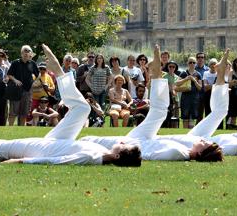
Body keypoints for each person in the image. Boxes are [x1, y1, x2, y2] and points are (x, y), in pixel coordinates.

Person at [0, 44, 142, 167]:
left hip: (46, 148)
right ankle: (59, 72)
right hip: (61, 141)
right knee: (83, 108)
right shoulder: (103, 152)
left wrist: (20, 161)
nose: (122, 142)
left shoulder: (91, 158)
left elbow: (55, 161)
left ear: (117, 157)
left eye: (123, 147)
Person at [82, 45, 223, 162]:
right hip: (143, 138)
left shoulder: (177, 153)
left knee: (160, 111)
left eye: (204, 145)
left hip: (137, 141)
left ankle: (156, 72)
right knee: (160, 111)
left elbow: (148, 155)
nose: (204, 141)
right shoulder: (182, 151)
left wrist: (127, 149)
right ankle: (156, 72)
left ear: (199, 153)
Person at [7, 45, 39, 126]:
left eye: (28, 51)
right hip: (16, 91)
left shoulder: (32, 63)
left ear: (30, 53)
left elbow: (38, 75)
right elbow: (9, 74)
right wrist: (15, 80)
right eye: (25, 51)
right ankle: (9, 129)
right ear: (21, 53)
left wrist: (34, 81)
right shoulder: (15, 63)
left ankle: (20, 129)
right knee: (13, 112)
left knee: (24, 113)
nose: (26, 53)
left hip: (27, 91)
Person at [175, 56, 202, 128]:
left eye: (193, 62)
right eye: (190, 62)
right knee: (185, 117)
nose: (192, 64)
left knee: (193, 117)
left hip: (195, 98)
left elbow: (200, 88)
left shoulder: (198, 74)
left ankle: (191, 134)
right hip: (185, 98)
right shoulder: (184, 73)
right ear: (188, 63)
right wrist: (186, 78)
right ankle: (185, 133)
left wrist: (194, 80)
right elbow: (177, 83)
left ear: (195, 64)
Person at [162, 60, 180, 128]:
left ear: (175, 68)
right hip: (167, 98)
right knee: (168, 115)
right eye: (170, 66)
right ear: (167, 67)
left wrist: (172, 87)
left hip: (176, 98)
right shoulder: (164, 76)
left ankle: (175, 129)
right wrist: (172, 88)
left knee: (176, 116)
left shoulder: (177, 77)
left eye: (173, 67)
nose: (172, 68)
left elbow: (177, 87)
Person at [195, 52, 209, 123]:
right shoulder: (193, 68)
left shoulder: (208, 70)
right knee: (198, 114)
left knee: (207, 112)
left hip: (206, 93)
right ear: (196, 59)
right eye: (198, 57)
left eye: (202, 57)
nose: (200, 59)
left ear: (204, 59)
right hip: (196, 94)